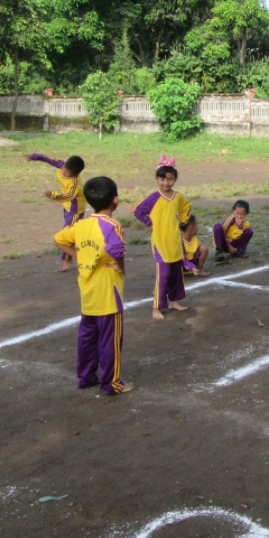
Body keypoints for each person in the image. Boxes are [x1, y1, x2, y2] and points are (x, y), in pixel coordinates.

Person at [53, 176, 133, 396]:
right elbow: (117, 250)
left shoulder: (81, 225)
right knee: (110, 340)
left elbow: (58, 239)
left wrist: (78, 255)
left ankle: (86, 376)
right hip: (108, 293)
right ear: (115, 200)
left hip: (87, 292)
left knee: (87, 336)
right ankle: (112, 383)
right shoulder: (112, 225)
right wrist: (121, 267)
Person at [133, 156, 191, 320]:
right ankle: (156, 307)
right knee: (163, 275)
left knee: (175, 273)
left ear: (175, 180)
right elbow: (136, 210)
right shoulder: (153, 197)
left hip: (174, 241)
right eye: (162, 179)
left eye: (170, 179)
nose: (166, 183)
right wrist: (150, 222)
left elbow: (186, 207)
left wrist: (181, 220)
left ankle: (174, 301)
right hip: (160, 242)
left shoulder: (177, 197)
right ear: (157, 179)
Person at [25, 152, 85, 272]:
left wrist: (53, 195)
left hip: (75, 211)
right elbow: (50, 160)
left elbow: (67, 196)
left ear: (76, 174)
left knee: (66, 236)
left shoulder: (74, 184)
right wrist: (36, 157)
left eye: (67, 172)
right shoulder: (62, 166)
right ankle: (84, 249)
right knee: (71, 234)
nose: (63, 172)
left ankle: (69, 259)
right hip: (67, 208)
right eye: (64, 168)